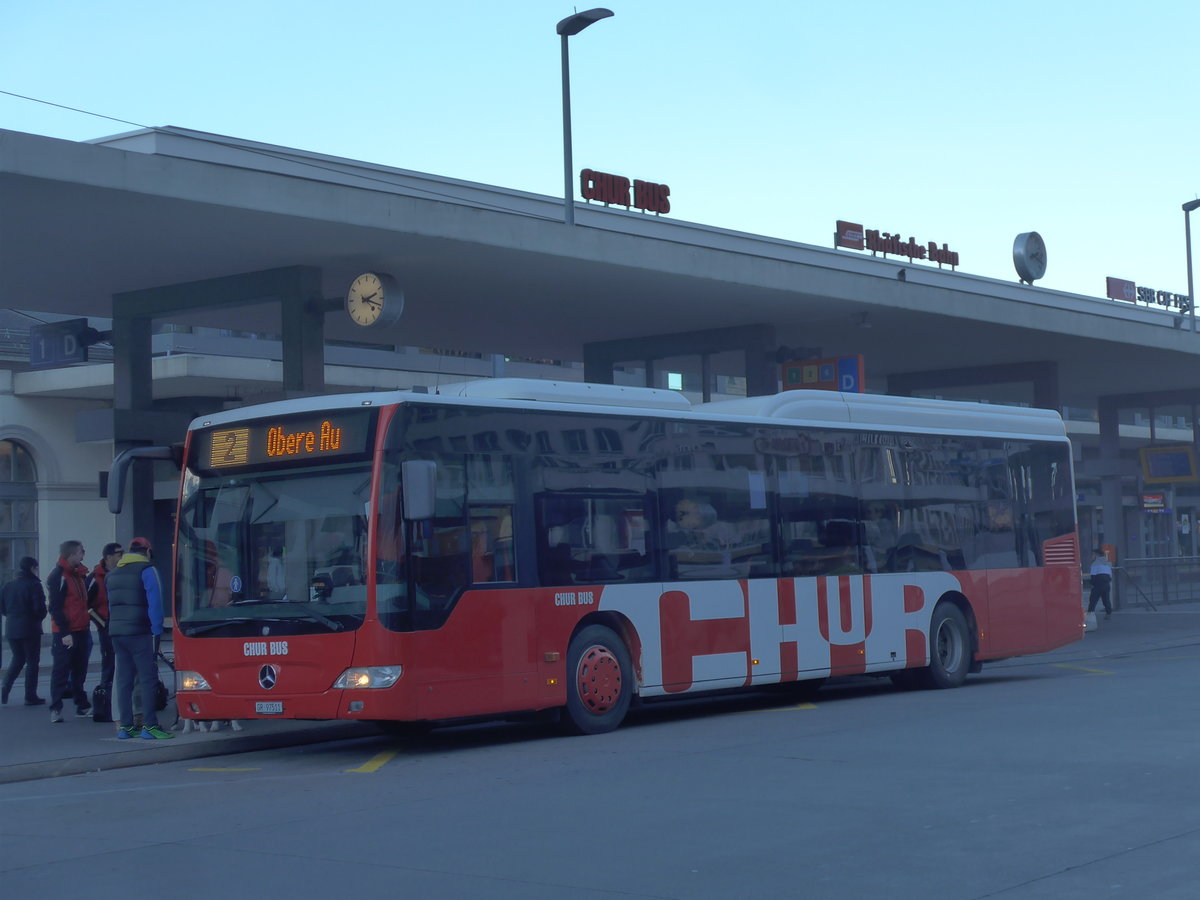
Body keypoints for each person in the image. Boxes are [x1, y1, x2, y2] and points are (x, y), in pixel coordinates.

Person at [106, 537, 174, 740]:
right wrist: (157, 631)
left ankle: (125, 727)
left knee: (124, 679)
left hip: (117, 631)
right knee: (147, 679)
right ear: (148, 551)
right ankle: (150, 726)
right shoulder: (147, 570)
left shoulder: (113, 574)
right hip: (140, 631)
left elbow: (111, 605)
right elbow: (155, 603)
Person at [46, 540, 94, 722]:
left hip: (81, 628)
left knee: (80, 669)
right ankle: (56, 708)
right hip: (65, 631)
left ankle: (81, 705)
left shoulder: (78, 574)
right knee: (61, 669)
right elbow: (55, 607)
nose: (83, 555)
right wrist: (65, 632)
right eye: (81, 552)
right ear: (72, 554)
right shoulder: (59, 576)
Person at [1, 556, 47, 705]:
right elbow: (39, 609)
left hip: (11, 627)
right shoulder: (34, 584)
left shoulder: (8, 585)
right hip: (30, 628)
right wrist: (39, 617)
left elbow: (2, 608)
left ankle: (5, 687)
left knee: (18, 659)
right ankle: (30, 695)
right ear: (32, 568)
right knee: (32, 662)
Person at [86, 542, 123, 692]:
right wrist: (101, 622)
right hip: (106, 623)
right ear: (109, 557)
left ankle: (119, 687)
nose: (122, 556)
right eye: (119, 553)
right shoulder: (95, 578)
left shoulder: (122, 572)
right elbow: (85, 604)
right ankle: (106, 688)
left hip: (122, 622)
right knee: (109, 657)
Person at [1088, 547, 1113, 619]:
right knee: (1106, 599)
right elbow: (1110, 575)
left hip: (1098, 584)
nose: (1091, 556)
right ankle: (1108, 613)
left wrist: (1092, 584)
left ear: (1096, 555)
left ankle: (1090, 615)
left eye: (1092, 555)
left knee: (1093, 600)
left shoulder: (1095, 564)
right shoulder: (1107, 563)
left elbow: (1093, 576)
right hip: (1106, 584)